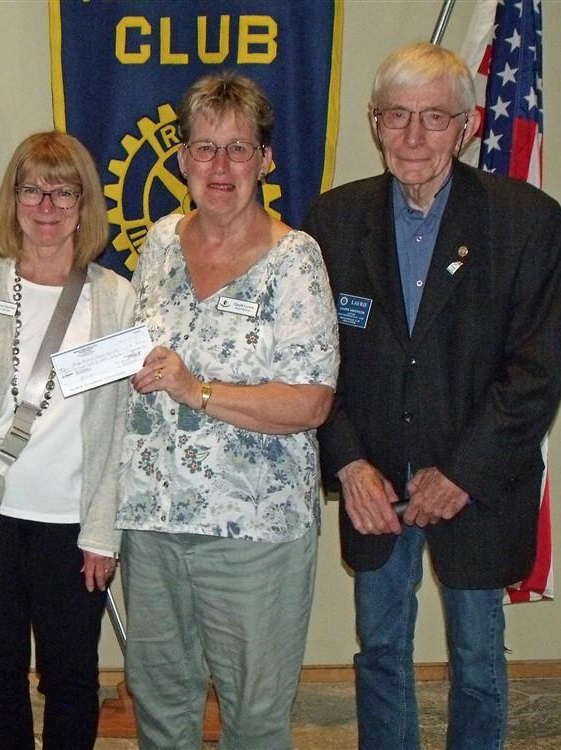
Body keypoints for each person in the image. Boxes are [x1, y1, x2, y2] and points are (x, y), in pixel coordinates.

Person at [302, 42, 561, 750]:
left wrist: (461, 474)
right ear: (375, 122)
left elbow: (535, 372)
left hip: (476, 484)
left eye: (434, 117)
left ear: (467, 126)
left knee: (477, 663)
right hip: (374, 484)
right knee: (379, 653)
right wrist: (349, 464)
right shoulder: (332, 222)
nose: (414, 136)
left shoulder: (526, 221)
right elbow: (313, 364)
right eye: (397, 116)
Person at [117, 72, 340, 749]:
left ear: (265, 161)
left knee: (254, 720)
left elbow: (312, 401)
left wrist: (198, 391)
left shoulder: (295, 260)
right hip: (152, 522)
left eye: (238, 148)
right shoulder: (159, 242)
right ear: (182, 159)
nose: (220, 166)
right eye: (205, 148)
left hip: (253, 534)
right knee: (160, 709)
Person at [0, 131, 133, 749]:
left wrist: (103, 533)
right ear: (13, 201)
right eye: (32, 190)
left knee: (72, 678)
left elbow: (120, 430)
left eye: (63, 192)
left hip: (73, 526)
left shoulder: (116, 298)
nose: (47, 206)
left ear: (84, 205)